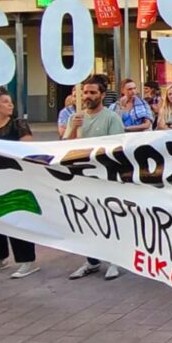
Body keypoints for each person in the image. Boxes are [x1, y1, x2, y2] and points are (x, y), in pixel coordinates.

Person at [64, 77, 126, 281]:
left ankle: (115, 260)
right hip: (82, 177)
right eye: (85, 92)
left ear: (102, 94)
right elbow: (63, 147)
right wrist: (72, 128)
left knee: (108, 218)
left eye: (92, 92)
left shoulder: (111, 118)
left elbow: (117, 148)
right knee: (86, 220)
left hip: (104, 176)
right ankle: (92, 261)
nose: (88, 96)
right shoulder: (75, 118)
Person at [0, 91, 39, 280]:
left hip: (14, 177)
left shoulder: (18, 125)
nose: (10, 105)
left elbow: (27, 149)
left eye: (11, 102)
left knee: (17, 217)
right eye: (5, 102)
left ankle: (26, 260)